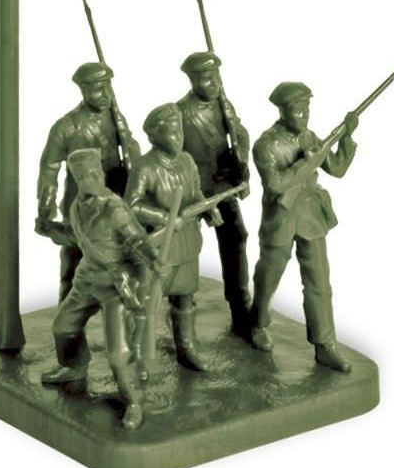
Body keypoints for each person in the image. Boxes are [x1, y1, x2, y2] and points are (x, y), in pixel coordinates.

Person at [40, 148, 154, 430]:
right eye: (88, 176)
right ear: (78, 180)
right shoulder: (77, 207)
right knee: (63, 326)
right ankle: (74, 366)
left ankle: (134, 401)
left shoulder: (115, 209)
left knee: (118, 354)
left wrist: (151, 262)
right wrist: (51, 231)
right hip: (87, 278)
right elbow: (76, 237)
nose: (96, 179)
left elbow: (138, 242)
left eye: (97, 173)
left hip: (115, 286)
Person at [248, 82, 359, 372]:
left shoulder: (309, 137)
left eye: (307, 108)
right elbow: (275, 185)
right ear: (282, 111)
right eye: (298, 109)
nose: (304, 114)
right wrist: (307, 165)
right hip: (281, 218)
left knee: (319, 282)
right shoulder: (265, 145)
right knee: (269, 277)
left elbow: (336, 168)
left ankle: (325, 344)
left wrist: (346, 137)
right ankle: (258, 323)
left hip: (310, 216)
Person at [125, 103, 223, 372]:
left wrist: (208, 209)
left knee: (186, 296)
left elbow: (196, 192)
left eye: (180, 131)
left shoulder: (187, 160)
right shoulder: (144, 168)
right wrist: (164, 218)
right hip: (159, 247)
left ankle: (186, 346)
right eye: (172, 132)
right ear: (155, 137)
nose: (179, 137)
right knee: (147, 301)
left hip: (187, 240)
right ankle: (138, 355)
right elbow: (131, 206)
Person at [36, 62, 141, 301]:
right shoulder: (66, 126)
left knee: (121, 258)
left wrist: (129, 146)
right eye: (98, 89)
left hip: (114, 199)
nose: (105, 94)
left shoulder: (116, 118)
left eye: (108, 87)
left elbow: (133, 153)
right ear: (83, 90)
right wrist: (46, 206)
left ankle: (119, 312)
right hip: (80, 204)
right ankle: (67, 314)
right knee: (74, 261)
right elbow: (49, 168)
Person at [176, 51, 252, 333]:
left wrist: (241, 161)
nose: (214, 83)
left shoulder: (223, 103)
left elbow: (240, 133)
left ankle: (240, 309)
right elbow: (174, 156)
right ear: (193, 80)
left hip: (221, 185)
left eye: (217, 76)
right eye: (207, 78)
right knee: (184, 249)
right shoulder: (180, 112)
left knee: (236, 237)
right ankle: (181, 310)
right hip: (191, 189)